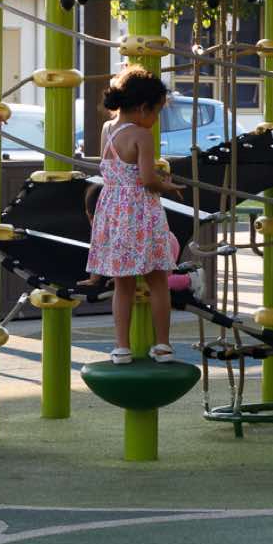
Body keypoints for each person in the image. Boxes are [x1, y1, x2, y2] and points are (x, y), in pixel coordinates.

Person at [91, 67, 185, 363]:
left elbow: (117, 169)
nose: (156, 119)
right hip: (140, 213)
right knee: (158, 281)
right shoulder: (142, 135)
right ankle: (162, 345)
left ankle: (121, 346)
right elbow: (147, 180)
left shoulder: (108, 130)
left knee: (123, 285)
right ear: (144, 108)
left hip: (113, 210)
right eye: (157, 112)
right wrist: (168, 185)